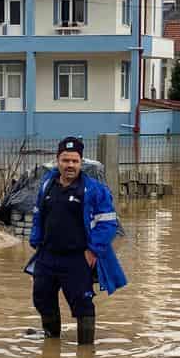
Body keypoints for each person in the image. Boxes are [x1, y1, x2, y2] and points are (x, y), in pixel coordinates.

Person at [27, 136, 126, 345]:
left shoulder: (95, 190)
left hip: (77, 258)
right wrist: (35, 240)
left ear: (81, 162)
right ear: (57, 160)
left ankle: (86, 354)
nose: (70, 165)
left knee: (82, 303)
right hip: (47, 256)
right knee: (42, 299)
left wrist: (93, 250)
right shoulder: (47, 185)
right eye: (65, 160)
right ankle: (51, 341)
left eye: (74, 161)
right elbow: (38, 215)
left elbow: (108, 224)